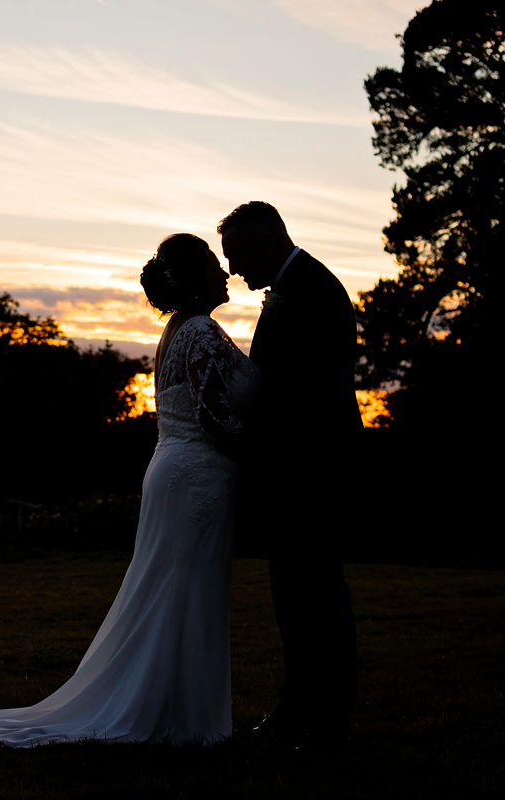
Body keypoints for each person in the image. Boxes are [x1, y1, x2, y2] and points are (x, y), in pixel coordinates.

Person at [0, 233, 259, 746]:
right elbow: (212, 414)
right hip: (196, 475)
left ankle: (175, 708)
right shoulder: (199, 331)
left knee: (170, 589)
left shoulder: (179, 329)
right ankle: (181, 719)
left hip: (174, 470)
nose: (224, 274)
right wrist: (263, 455)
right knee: (184, 590)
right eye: (213, 266)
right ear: (194, 280)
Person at [217, 201, 361, 745]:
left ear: (267, 242)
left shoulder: (310, 291)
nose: (233, 269)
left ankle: (318, 715)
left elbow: (300, 396)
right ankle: (307, 709)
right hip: (302, 472)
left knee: (313, 594)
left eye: (236, 255)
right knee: (302, 594)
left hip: (311, 474)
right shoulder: (296, 285)